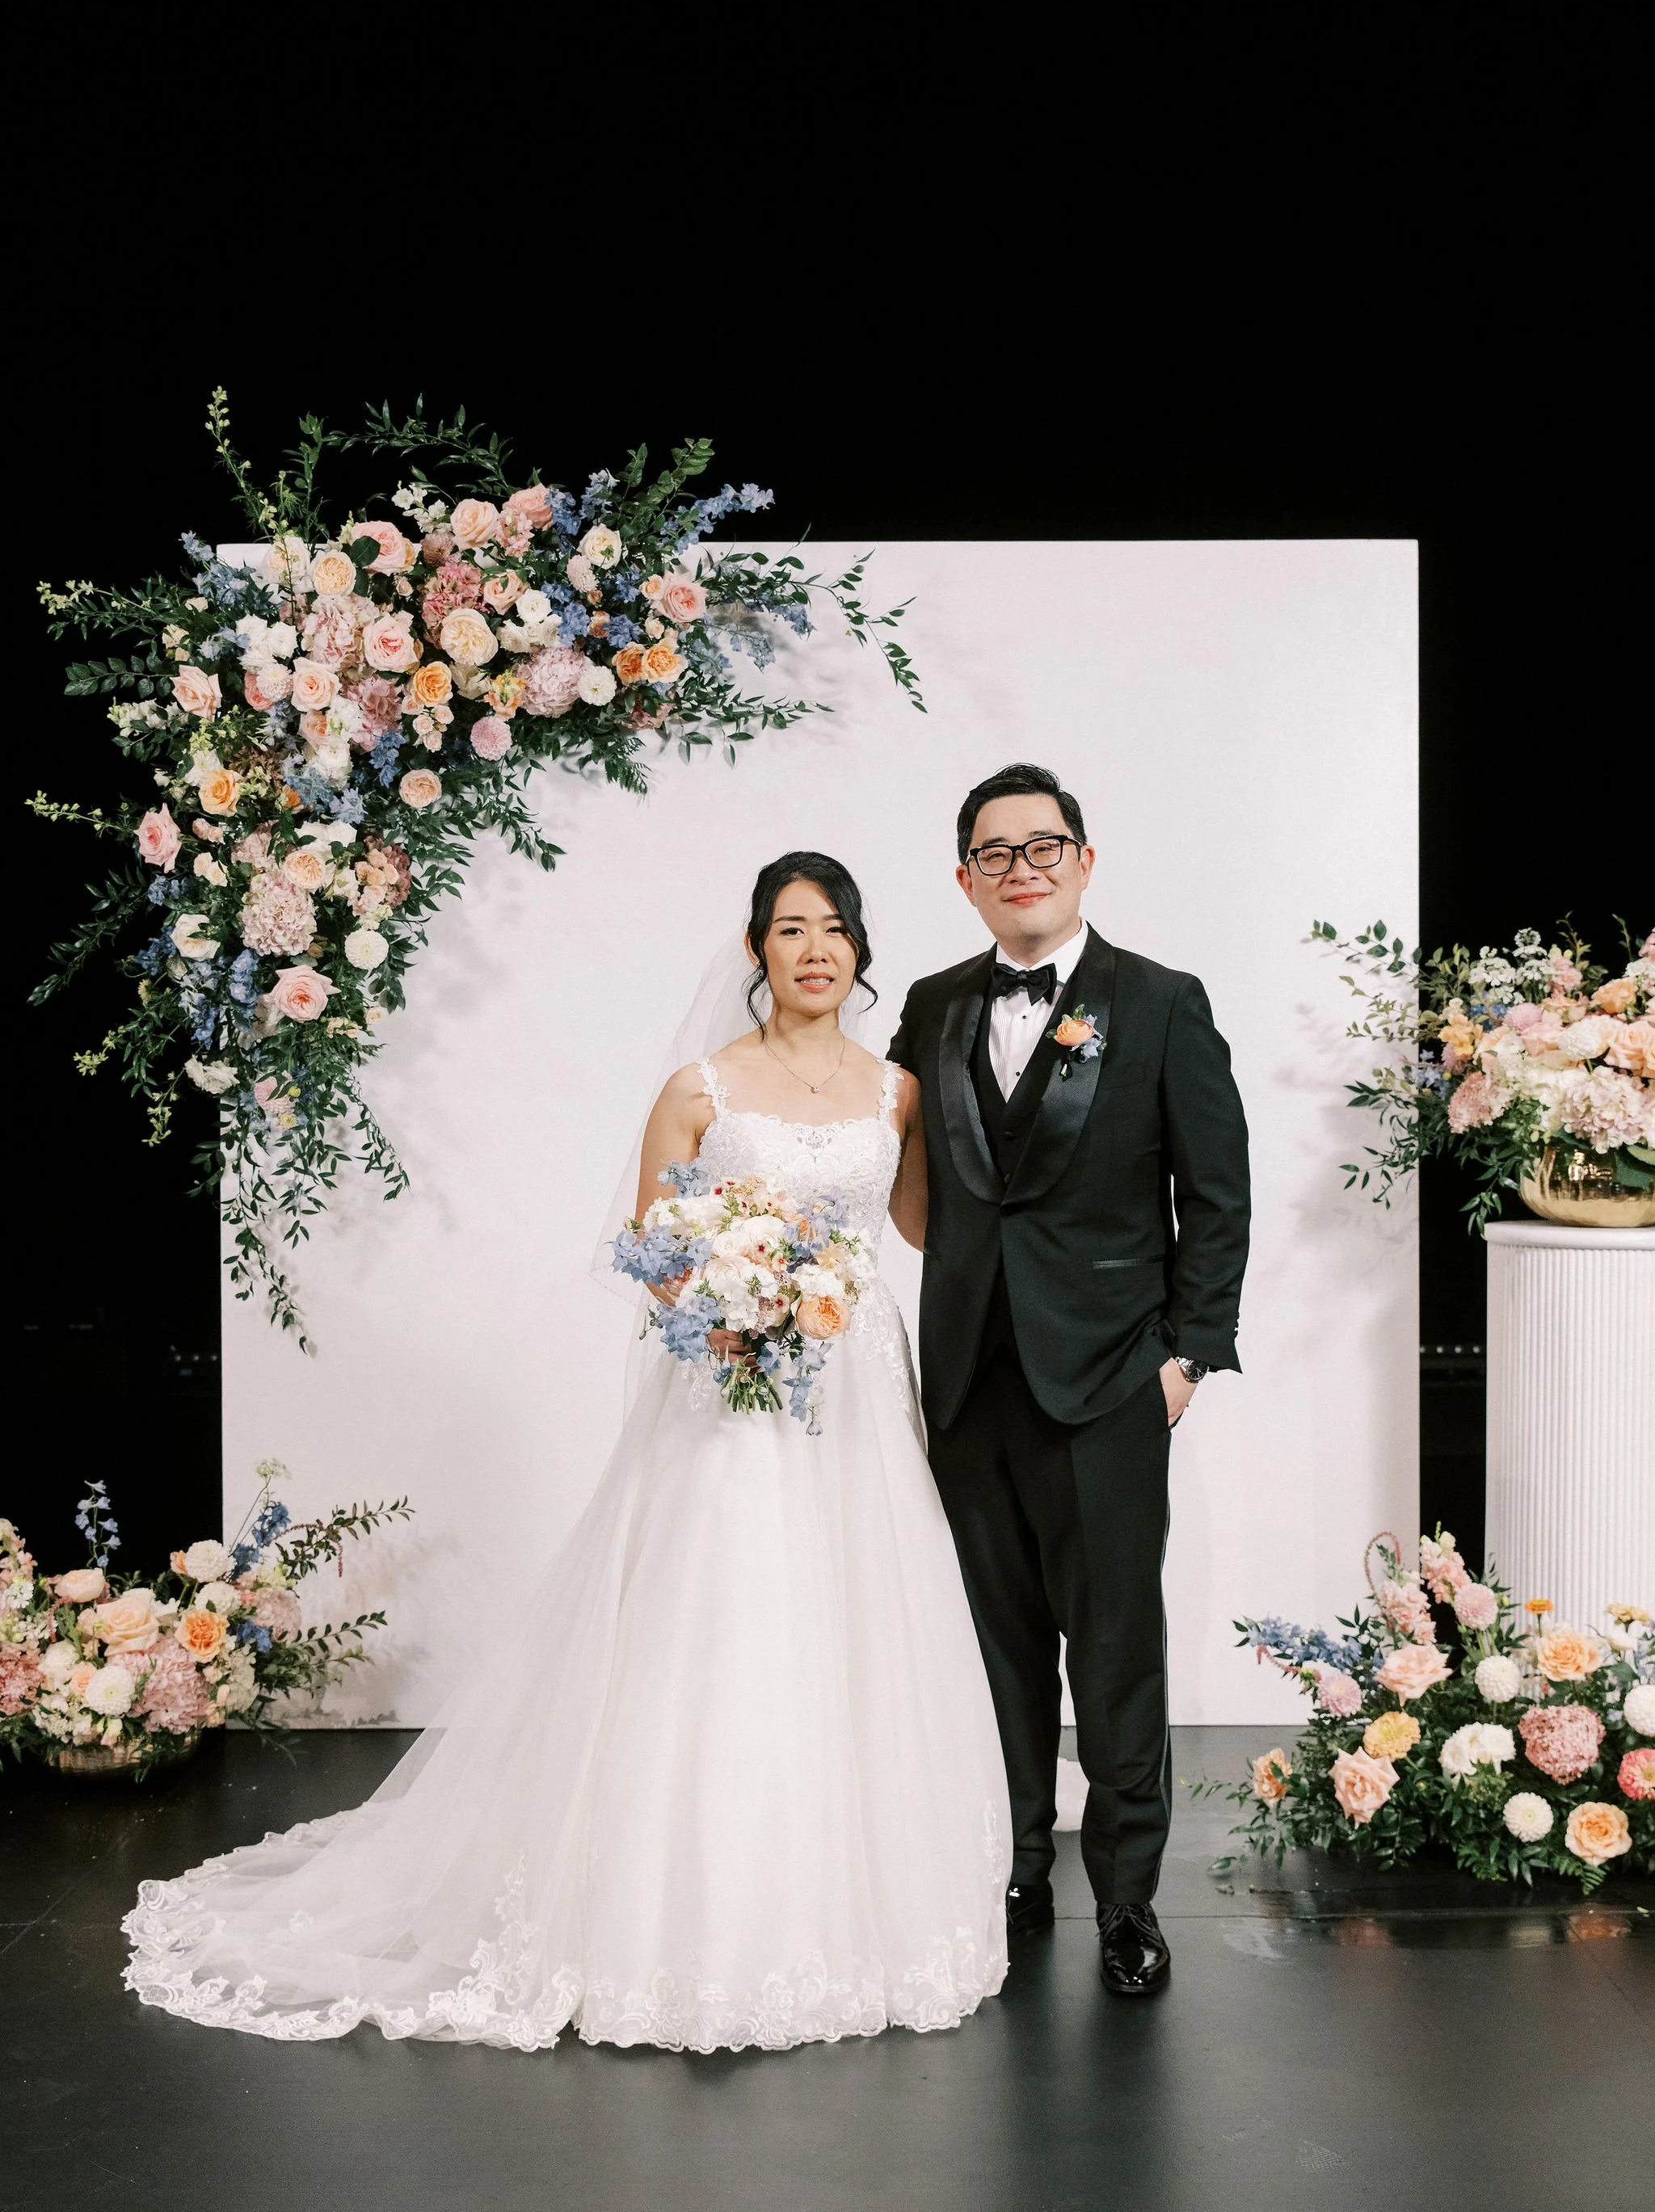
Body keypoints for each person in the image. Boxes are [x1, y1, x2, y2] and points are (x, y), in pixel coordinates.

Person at [123, 852, 1010, 2053]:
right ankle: (680, 1915)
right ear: (755, 950)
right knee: (725, 1617)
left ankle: (856, 1901)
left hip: (853, 1379)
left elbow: (912, 1225)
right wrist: (742, 1292)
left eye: (835, 927)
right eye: (791, 927)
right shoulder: (701, 1088)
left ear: (859, 949)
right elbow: (651, 1253)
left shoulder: (894, 1090)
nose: (816, 948)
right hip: (734, 1386)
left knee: (858, 1618)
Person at [891, 764, 1250, 1998]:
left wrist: (1186, 1357)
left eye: (1044, 844)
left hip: (1107, 1382)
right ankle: (1013, 1873)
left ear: (1086, 861)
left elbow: (1215, 1194)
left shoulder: (1159, 1003)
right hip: (965, 1385)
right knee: (988, 1653)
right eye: (995, 852)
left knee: (1113, 1652)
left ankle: (1131, 1901)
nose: (1022, 866)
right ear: (965, 879)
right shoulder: (934, 1007)